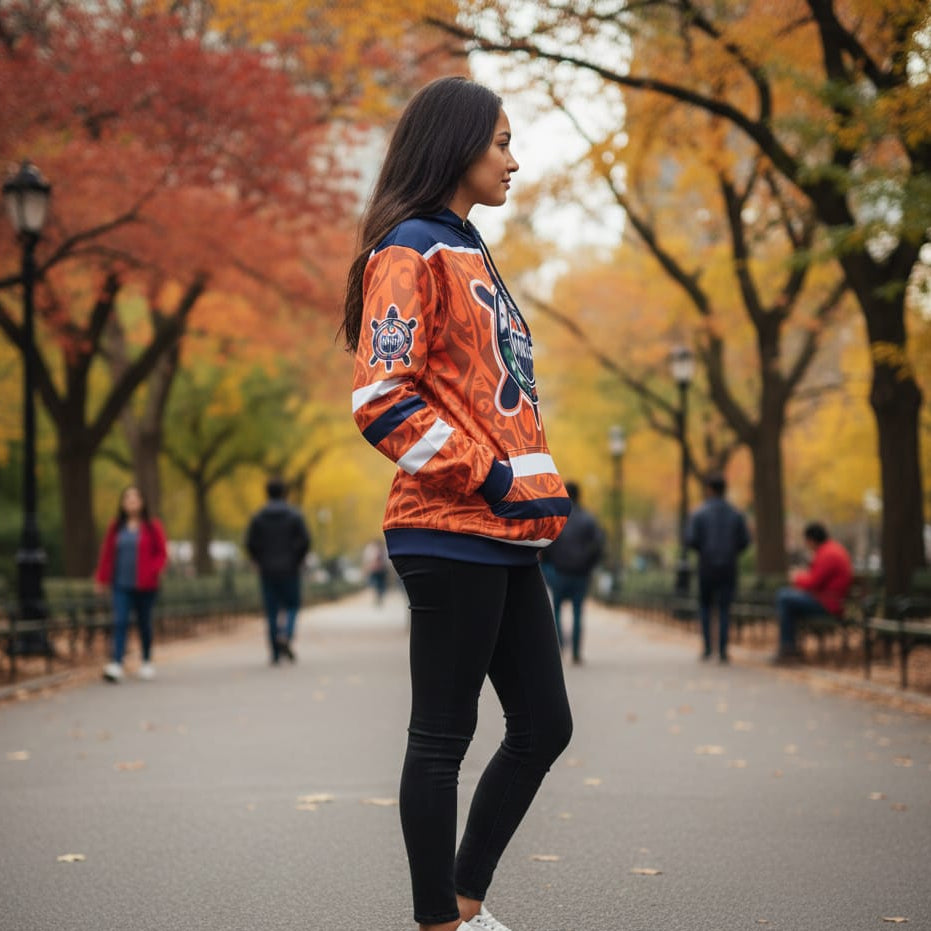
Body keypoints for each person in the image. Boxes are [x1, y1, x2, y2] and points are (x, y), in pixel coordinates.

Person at [342, 76, 573, 931]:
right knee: (442, 736)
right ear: (457, 146)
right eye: (501, 142)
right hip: (448, 527)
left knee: (543, 725)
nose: (513, 159)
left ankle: (463, 901)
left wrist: (542, 487)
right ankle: (439, 920)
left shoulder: (467, 246)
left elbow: (489, 394)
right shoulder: (410, 246)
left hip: (507, 532)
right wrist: (492, 476)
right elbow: (382, 400)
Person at [94, 485, 168, 683]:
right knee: (120, 622)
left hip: (146, 585)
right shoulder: (116, 527)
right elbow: (107, 553)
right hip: (121, 583)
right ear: (123, 503)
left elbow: (162, 553)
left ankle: (146, 661)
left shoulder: (152, 526)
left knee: (144, 623)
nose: (131, 502)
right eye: (128, 498)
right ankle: (117, 663)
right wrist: (101, 578)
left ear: (142, 502)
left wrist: (154, 570)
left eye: (135, 498)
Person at [685, 473, 751, 663]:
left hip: (706, 566)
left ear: (709, 490)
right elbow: (745, 541)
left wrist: (704, 550)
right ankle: (722, 649)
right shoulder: (736, 514)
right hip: (729, 566)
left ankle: (707, 648)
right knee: (724, 608)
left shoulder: (699, 513)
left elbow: (690, 540)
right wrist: (731, 551)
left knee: (705, 606)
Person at [245, 477, 311, 665]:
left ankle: (274, 652)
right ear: (284, 493)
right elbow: (305, 541)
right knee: (291, 606)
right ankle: (286, 635)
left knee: (272, 610)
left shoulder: (258, 517)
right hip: (290, 568)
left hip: (267, 570)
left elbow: (250, 543)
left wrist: (258, 559)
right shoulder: (294, 516)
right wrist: (297, 558)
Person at [542, 481, 605, 665]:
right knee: (578, 612)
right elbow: (598, 545)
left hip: (559, 571)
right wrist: (589, 564)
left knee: (556, 612)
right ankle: (576, 652)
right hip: (581, 573)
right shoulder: (589, 519)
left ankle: (559, 648)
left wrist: (549, 564)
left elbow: (546, 542)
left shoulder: (558, 516)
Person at [773, 522, 852, 664]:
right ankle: (788, 648)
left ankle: (788, 649)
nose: (806, 545)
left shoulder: (828, 554)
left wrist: (795, 578)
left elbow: (814, 582)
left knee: (784, 597)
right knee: (786, 600)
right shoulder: (831, 549)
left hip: (828, 604)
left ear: (811, 539)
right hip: (828, 600)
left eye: (806, 541)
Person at [363, 538, 390, 605]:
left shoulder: (383, 549)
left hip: (380, 570)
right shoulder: (371, 549)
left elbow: (386, 560)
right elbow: (367, 559)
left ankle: (379, 597)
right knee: (375, 584)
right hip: (375, 570)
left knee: (381, 585)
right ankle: (378, 597)